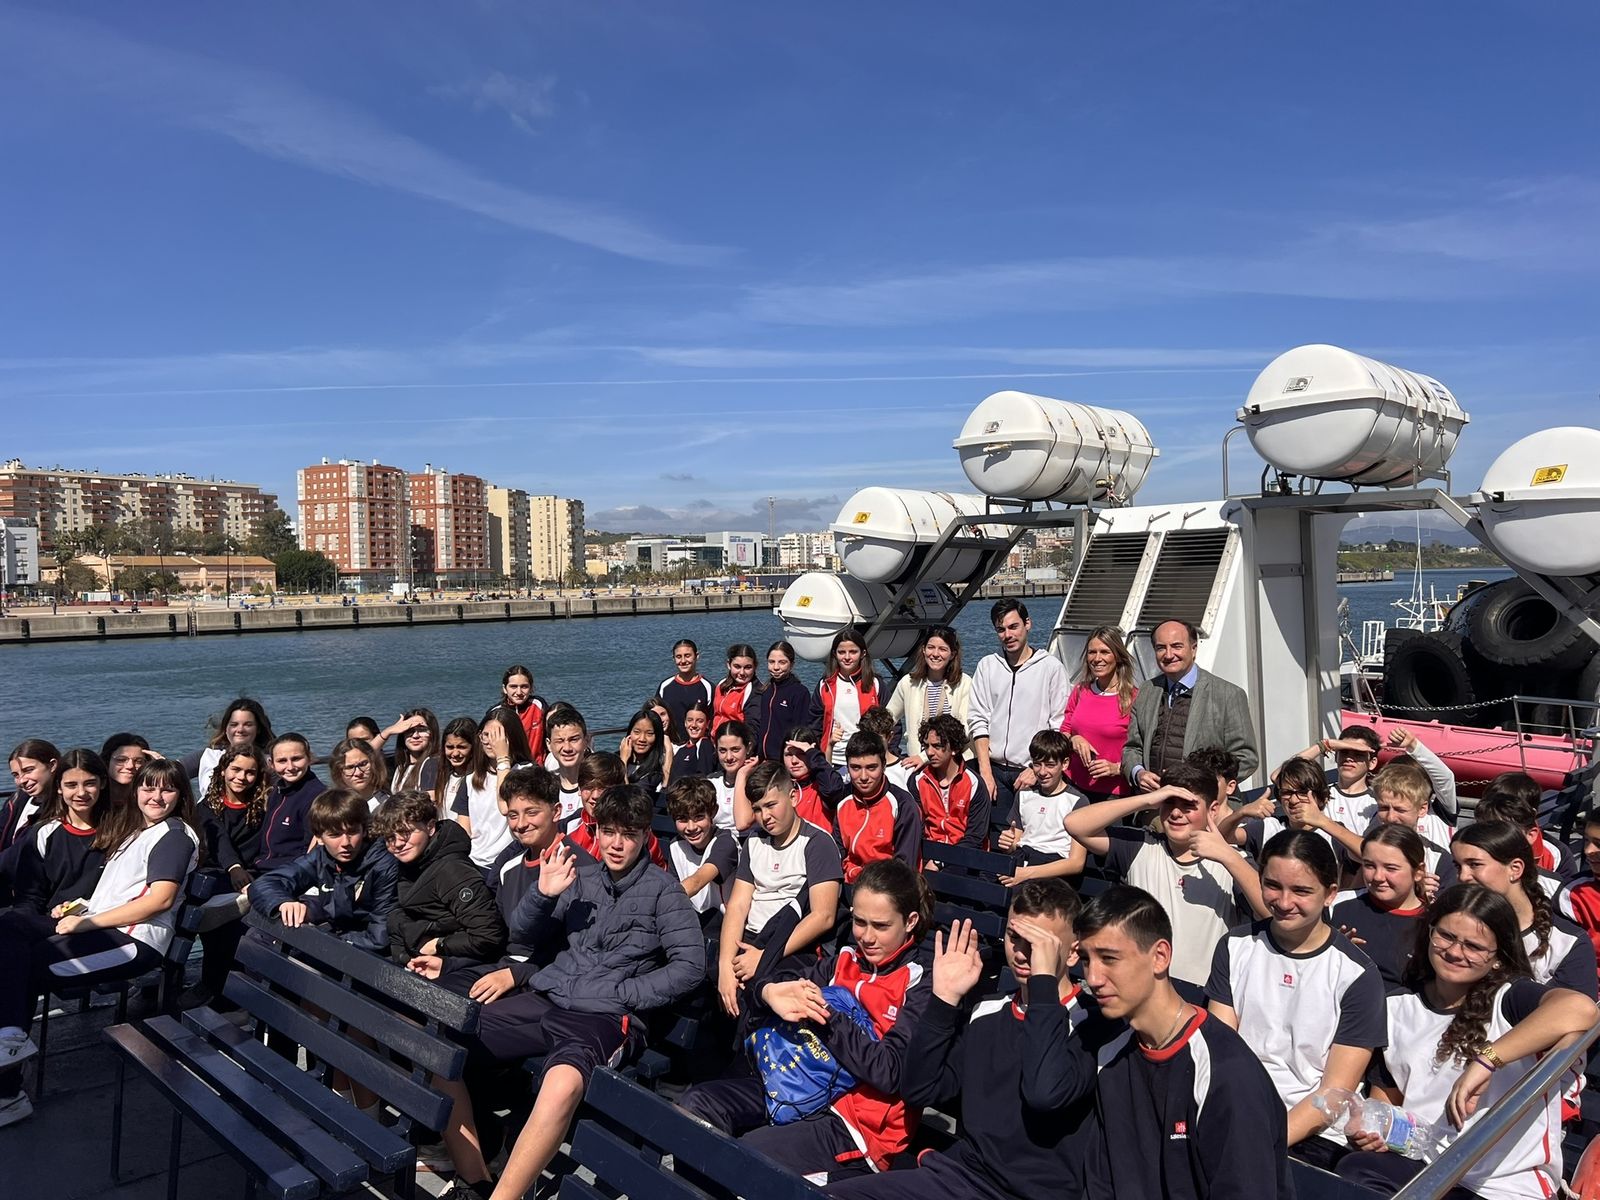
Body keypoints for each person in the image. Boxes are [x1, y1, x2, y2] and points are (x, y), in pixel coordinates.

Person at [428, 786, 704, 1200]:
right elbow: (522, 933)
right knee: (443, 1044)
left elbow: (690, 967)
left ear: (646, 834)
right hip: (549, 996)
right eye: (608, 831)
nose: (615, 844)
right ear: (597, 830)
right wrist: (543, 893)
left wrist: (624, 992)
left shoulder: (665, 892)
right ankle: (475, 1181)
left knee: (560, 1084)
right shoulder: (582, 877)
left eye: (628, 834)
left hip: (605, 1017)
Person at [830, 879, 1103, 1200]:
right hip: (958, 1178)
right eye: (1015, 937)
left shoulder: (1091, 1025)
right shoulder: (988, 1011)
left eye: (1039, 944)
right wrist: (943, 1002)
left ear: (1072, 953)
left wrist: (1043, 986)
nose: (1022, 952)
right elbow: (919, 1088)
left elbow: (1043, 1093)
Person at [680, 859, 933, 1185]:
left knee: (748, 1156)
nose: (866, 937)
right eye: (859, 922)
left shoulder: (920, 983)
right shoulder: (845, 959)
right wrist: (770, 991)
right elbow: (783, 983)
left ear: (910, 922)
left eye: (880, 926)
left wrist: (825, 1015)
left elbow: (890, 1071)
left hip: (852, 1125)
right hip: (792, 1082)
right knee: (694, 1107)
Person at [1336, 884, 1598, 1200]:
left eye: (1474, 946)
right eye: (1446, 936)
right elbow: (1388, 1096)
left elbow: (1582, 1009)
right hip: (1425, 1165)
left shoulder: (1512, 999)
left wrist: (1487, 1060)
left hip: (1503, 1185)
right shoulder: (1397, 1007)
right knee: (1355, 1169)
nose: (1455, 952)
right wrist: (1375, 1130)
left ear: (1498, 958)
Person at [0, 758, 203, 1129]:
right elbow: (118, 893)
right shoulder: (139, 832)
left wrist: (85, 922)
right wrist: (78, 909)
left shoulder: (173, 835)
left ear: (181, 793)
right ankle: (9, 1051)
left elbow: (158, 900)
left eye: (167, 788)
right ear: (136, 790)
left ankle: (7, 1090)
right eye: (148, 787)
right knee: (11, 931)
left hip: (131, 941)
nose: (156, 796)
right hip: (105, 931)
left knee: (20, 966)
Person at [1079, 883, 1294, 1200]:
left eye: (1109, 958)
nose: (1093, 977)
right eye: (1086, 959)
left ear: (1160, 957)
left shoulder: (1227, 1075)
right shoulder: (1109, 1056)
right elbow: (1101, 1185)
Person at [1206, 831, 1386, 1166]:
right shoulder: (1235, 947)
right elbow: (1220, 1050)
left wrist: (1264, 1143)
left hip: (1307, 1134)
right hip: (1233, 1112)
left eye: (1301, 891)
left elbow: (1333, 1093)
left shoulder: (1357, 976)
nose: (1284, 902)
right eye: (1273, 886)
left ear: (1330, 893)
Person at [1065, 760, 1267, 991]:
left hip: (1204, 998)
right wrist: (1147, 799)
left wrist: (1229, 857)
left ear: (1212, 809)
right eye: (1168, 803)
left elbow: (1269, 910)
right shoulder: (1139, 846)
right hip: (1141, 992)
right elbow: (1074, 824)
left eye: (1188, 805)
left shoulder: (1232, 859)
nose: (1176, 813)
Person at [718, 762, 843, 1019]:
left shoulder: (817, 843)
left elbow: (823, 916)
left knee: (758, 990)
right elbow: (738, 905)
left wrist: (765, 956)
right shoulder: (755, 840)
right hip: (750, 940)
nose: (765, 817)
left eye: (771, 805)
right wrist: (724, 964)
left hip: (791, 946)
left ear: (793, 796)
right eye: (757, 809)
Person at [1451, 821, 1597, 996]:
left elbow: (1576, 1014)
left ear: (1515, 868)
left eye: (1474, 864)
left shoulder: (1567, 942)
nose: (1462, 876)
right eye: (1458, 866)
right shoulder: (1447, 924)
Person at [251, 788, 399, 954]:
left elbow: (379, 938)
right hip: (336, 940)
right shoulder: (322, 856)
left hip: (363, 956)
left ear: (364, 830)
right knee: (259, 936)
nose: (346, 843)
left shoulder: (383, 864)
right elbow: (264, 883)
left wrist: (321, 939)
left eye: (352, 832)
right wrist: (283, 902)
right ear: (319, 837)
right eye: (335, 835)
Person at [1122, 619, 1258, 791]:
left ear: (1193, 649)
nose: (1169, 654)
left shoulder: (1228, 695)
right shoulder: (1147, 690)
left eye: (1177, 646)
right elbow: (1132, 748)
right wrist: (1138, 773)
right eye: (1161, 647)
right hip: (1154, 805)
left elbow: (1246, 757)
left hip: (1206, 808)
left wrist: (1201, 783)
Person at [375, 790, 506, 966]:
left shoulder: (452, 871)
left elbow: (488, 934)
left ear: (430, 827)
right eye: (390, 838)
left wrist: (439, 945)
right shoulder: (412, 864)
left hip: (462, 965)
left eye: (406, 833)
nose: (398, 843)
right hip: (418, 959)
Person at [968, 599, 1070, 822]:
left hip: (1031, 773)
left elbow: (1059, 726)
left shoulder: (1051, 668)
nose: (1007, 635)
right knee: (996, 839)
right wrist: (985, 770)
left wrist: (1036, 769)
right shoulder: (987, 666)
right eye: (1001, 630)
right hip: (992, 769)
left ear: (1027, 624)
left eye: (1013, 627)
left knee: (1030, 838)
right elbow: (978, 719)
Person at [9, 748, 110, 920]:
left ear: (103, 783)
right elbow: (29, 897)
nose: (81, 793)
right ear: (59, 788)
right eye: (71, 785)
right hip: (53, 920)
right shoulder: (44, 833)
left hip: (103, 920)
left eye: (90, 783)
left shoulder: (121, 829)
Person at [1331, 825, 1431, 989]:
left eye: (1391, 868)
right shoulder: (1337, 905)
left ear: (1419, 871)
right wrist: (1331, 951)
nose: (1378, 877)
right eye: (1369, 865)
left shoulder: (1433, 924)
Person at [996, 729, 1087, 886]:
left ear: (1065, 764)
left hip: (1052, 870)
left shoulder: (1077, 801)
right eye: (1037, 765)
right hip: (1022, 859)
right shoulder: (1024, 794)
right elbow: (1016, 841)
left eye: (1050, 765)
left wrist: (1027, 874)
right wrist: (1008, 844)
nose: (1042, 772)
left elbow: (1076, 863)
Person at [1058, 624, 1138, 801]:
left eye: (1104, 652)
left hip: (1114, 794)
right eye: (1092, 652)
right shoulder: (1081, 691)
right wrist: (1073, 739)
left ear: (1117, 656)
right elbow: (1064, 729)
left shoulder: (1134, 698)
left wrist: (1116, 768)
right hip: (1074, 786)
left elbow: (1144, 750)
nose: (1097, 658)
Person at [833, 732, 922, 884]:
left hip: (890, 892)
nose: (863, 776)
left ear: (884, 766)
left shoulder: (903, 805)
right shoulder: (843, 803)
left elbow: (903, 869)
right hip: (849, 887)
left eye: (871, 768)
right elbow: (836, 857)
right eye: (855, 768)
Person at [886, 626, 972, 770]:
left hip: (954, 766)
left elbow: (964, 730)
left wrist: (925, 756)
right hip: (919, 767)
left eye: (943, 649)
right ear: (923, 650)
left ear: (952, 654)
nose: (935, 654)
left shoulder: (964, 683)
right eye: (931, 647)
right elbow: (888, 719)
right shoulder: (908, 683)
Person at [907, 712, 992, 851]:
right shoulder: (918, 781)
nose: (929, 752)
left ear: (955, 748)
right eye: (926, 746)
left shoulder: (974, 784)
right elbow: (917, 829)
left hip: (965, 858)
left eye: (937, 746)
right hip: (929, 853)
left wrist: (942, 861)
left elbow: (975, 837)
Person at [664, 776, 738, 933]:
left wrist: (662, 901)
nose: (691, 827)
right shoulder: (675, 846)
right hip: (692, 921)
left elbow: (697, 881)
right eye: (683, 819)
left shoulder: (726, 842)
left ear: (713, 813)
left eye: (698, 817)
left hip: (726, 924)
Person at [1477, 773, 1577, 885]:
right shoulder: (1465, 845)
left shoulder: (1556, 854)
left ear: (1532, 813)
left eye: (1506, 812)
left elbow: (1566, 895)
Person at [441, 717, 509, 876]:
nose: (455, 753)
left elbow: (505, 806)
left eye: (462, 747)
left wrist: (502, 758)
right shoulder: (458, 778)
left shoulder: (511, 771)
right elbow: (464, 830)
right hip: (472, 859)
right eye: (450, 747)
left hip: (498, 861)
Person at [254, 733, 327, 873]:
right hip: (262, 865)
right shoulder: (277, 790)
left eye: (296, 759)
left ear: (309, 758)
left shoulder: (317, 796)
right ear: (271, 764)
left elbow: (312, 850)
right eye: (282, 761)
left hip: (289, 871)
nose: (290, 766)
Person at [812, 627, 881, 767]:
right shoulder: (824, 685)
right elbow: (814, 725)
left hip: (865, 760)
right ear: (834, 654)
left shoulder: (875, 683)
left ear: (863, 653)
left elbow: (891, 723)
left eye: (853, 652)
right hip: (832, 759)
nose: (847, 657)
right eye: (841, 652)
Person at [179, 698, 272, 798]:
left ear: (258, 729)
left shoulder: (271, 761)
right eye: (234, 724)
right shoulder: (209, 756)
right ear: (226, 728)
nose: (240, 729)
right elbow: (170, 774)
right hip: (208, 812)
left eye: (248, 725)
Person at [747, 639, 812, 761]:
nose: (776, 667)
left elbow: (801, 729)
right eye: (771, 662)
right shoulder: (765, 691)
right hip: (762, 759)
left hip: (784, 759)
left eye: (782, 662)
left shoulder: (799, 692)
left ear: (792, 664)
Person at [486, 663, 546, 766]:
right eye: (513, 686)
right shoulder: (495, 713)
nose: (519, 692)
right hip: (508, 770)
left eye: (524, 687)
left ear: (531, 688)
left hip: (538, 769)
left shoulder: (539, 705)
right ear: (505, 689)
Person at [543, 706, 590, 826]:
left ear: (586, 740)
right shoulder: (544, 788)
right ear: (549, 745)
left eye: (574, 739)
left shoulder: (602, 783)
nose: (567, 748)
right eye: (559, 741)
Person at [659, 638, 715, 736]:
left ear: (696, 656)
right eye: (679, 657)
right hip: (671, 744)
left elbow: (713, 720)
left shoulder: (708, 687)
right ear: (673, 659)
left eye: (687, 656)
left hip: (698, 744)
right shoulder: (665, 686)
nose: (683, 661)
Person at [379, 708, 441, 794]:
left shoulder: (433, 764)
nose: (415, 735)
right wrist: (388, 731)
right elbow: (362, 755)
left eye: (422, 730)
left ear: (432, 733)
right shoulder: (400, 766)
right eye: (409, 730)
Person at [326, 736, 391, 812]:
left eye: (363, 764)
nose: (358, 773)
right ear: (338, 771)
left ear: (374, 763)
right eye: (350, 767)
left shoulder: (386, 805)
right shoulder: (331, 806)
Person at [711, 720, 753, 832]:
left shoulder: (759, 782)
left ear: (748, 748)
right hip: (717, 841)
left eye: (735, 750)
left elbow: (744, 823)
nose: (729, 757)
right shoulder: (711, 782)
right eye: (723, 750)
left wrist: (742, 774)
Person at [712, 643, 759, 736]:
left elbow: (753, 728)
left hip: (734, 745)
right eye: (737, 667)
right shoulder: (721, 685)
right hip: (715, 744)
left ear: (755, 666)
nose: (742, 672)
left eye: (747, 667)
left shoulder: (755, 692)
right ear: (729, 665)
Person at [619, 707, 669, 794]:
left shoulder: (656, 771)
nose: (642, 739)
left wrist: (623, 761)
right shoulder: (614, 759)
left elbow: (630, 799)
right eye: (637, 732)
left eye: (649, 734)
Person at [99, 733, 153, 810]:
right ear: (107, 761)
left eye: (138, 761)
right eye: (121, 760)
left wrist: (163, 768)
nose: (130, 766)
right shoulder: (94, 800)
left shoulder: (151, 801)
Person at [672, 700, 718, 779]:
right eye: (690, 720)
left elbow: (703, 777)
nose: (693, 725)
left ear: (707, 724)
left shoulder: (705, 745)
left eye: (700, 721)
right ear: (685, 722)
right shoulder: (680, 749)